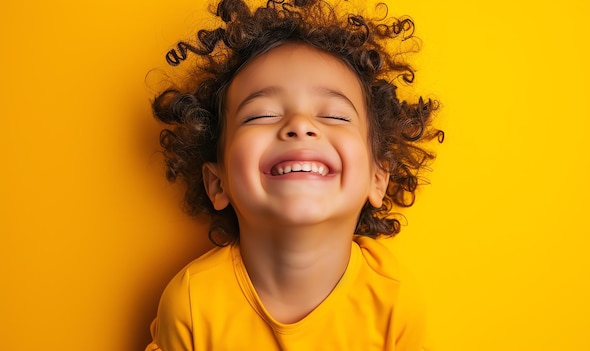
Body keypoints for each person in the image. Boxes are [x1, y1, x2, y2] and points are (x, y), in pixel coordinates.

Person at [145, 0, 443, 350]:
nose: (300, 125)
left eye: (335, 115)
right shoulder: (191, 303)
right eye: (261, 115)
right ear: (217, 182)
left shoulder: (395, 303)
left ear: (377, 179)